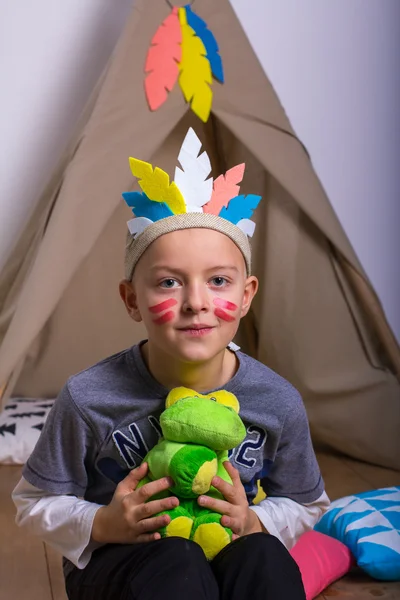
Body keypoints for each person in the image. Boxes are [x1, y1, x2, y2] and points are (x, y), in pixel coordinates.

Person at [12, 128, 329, 600]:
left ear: (245, 298)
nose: (196, 302)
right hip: (124, 564)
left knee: (265, 554)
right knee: (176, 561)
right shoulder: (88, 396)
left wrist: (255, 520)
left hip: (225, 555)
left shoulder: (275, 400)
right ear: (131, 299)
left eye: (218, 281)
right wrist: (102, 521)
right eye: (168, 283)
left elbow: (307, 503)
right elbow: (33, 501)